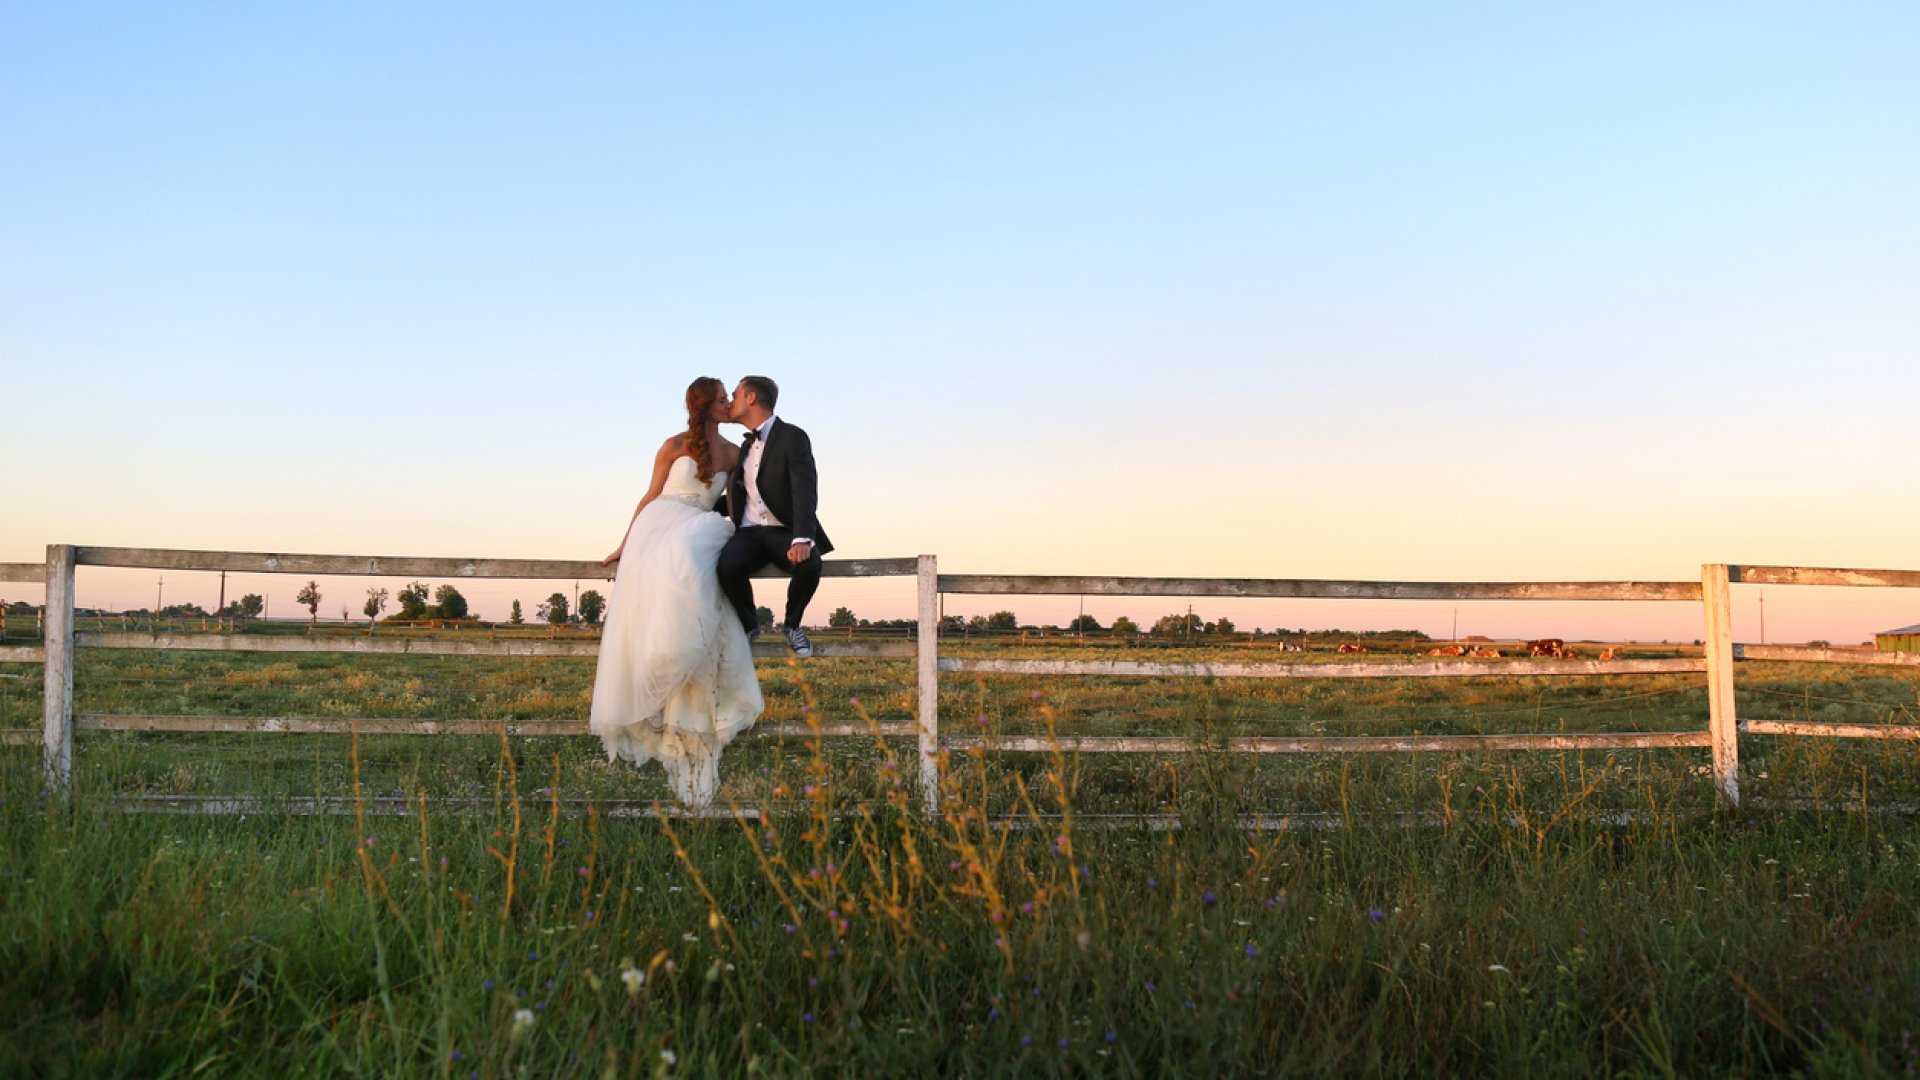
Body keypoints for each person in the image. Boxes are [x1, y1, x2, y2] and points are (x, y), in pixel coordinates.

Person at [588, 377, 764, 806]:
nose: (728, 404)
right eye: (721, 400)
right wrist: (625, 544)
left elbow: (738, 506)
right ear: (704, 406)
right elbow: (650, 495)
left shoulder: (734, 453)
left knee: (695, 549)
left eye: (728, 398)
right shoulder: (672, 445)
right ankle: (662, 664)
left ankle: (687, 655)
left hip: (698, 524)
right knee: (671, 564)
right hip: (659, 524)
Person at [716, 376, 834, 659]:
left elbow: (804, 488)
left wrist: (802, 537)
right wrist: (690, 507)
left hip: (783, 530)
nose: (730, 401)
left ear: (751, 398)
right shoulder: (744, 447)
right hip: (748, 533)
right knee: (726, 566)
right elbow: (741, 494)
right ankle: (749, 626)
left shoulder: (792, 436)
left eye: (735, 395)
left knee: (810, 563)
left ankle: (792, 626)